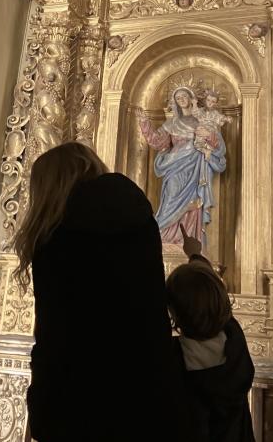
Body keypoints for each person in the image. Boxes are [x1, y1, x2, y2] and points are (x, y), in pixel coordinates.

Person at [14, 142, 197, 442]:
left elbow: (55, 336)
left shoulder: (54, 244)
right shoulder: (138, 220)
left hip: (81, 403)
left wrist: (42, 407)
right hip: (150, 395)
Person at [166, 225, 255, 442]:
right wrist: (196, 255)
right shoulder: (235, 345)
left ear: (174, 313)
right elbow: (214, 293)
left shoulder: (172, 358)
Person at [140, 86, 226, 244]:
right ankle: (165, 237)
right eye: (178, 98)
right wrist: (145, 124)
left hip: (195, 167)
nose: (182, 100)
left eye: (184, 96)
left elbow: (218, 145)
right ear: (175, 103)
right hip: (174, 166)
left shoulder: (202, 120)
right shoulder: (171, 124)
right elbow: (157, 142)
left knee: (192, 204)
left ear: (191, 98)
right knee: (171, 198)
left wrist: (208, 136)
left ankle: (187, 240)